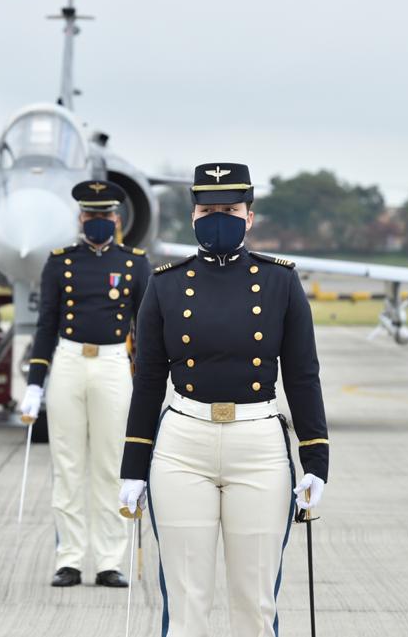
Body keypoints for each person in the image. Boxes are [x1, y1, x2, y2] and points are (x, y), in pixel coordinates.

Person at [118, 163, 330, 637]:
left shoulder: (280, 281)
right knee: (186, 602)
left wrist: (316, 459)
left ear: (249, 217)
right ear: (193, 216)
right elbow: (148, 380)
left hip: (258, 444)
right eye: (209, 209)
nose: (219, 218)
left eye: (230, 210)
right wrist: (133, 467)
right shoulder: (165, 283)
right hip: (183, 443)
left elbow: (302, 376)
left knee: (254, 601)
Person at [18, 180, 151, 588]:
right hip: (69, 361)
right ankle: (70, 559)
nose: (98, 221)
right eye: (91, 215)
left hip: (112, 363)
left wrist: (150, 383)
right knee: (68, 465)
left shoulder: (134, 263)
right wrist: (35, 383)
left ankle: (110, 560)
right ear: (80, 218)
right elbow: (46, 325)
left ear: (116, 219)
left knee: (111, 464)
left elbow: (145, 329)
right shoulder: (60, 262)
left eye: (104, 215)